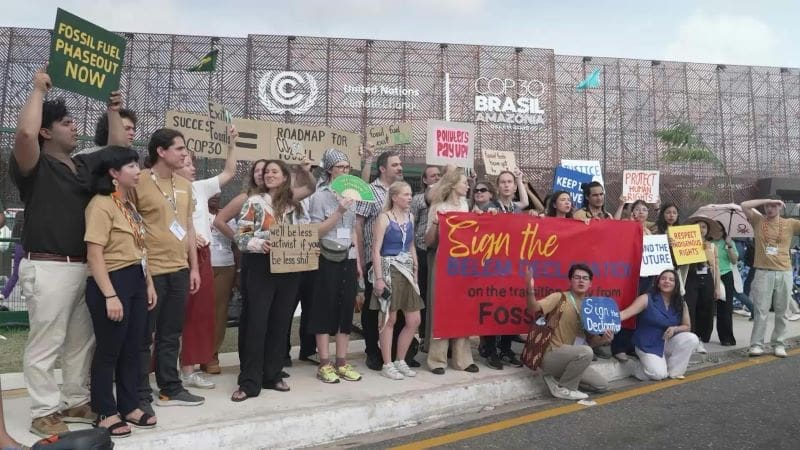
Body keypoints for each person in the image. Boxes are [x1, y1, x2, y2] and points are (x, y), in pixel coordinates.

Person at [11, 68, 127, 437]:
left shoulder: (82, 165)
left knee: (81, 341)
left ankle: (75, 400)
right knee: (47, 343)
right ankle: (44, 411)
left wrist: (113, 110)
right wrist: (37, 91)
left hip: (83, 267)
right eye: (65, 122)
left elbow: (118, 149)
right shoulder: (33, 164)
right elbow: (24, 134)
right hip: (48, 267)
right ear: (47, 132)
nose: (75, 127)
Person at [84, 147, 158, 437]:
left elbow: (140, 249)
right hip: (112, 281)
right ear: (114, 173)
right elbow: (94, 254)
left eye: (137, 165)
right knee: (109, 349)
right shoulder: (100, 205)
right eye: (131, 166)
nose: (138, 171)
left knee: (133, 347)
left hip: (136, 279)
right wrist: (110, 295)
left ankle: (129, 406)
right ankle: (105, 410)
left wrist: (148, 283)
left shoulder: (127, 205)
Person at [231, 159, 315, 401]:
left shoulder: (295, 206)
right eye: (266, 172)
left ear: (285, 177)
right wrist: (260, 244)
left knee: (280, 322)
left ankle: (272, 374)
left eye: (274, 171)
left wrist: (309, 248)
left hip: (289, 269)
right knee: (257, 323)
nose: (269, 175)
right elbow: (241, 236)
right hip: (261, 267)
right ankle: (249, 382)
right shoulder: (254, 202)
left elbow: (304, 232)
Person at [133, 129, 203, 413]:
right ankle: (139, 391)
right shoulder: (138, 181)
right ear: (161, 151)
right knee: (144, 335)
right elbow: (132, 227)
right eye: (179, 148)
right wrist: (145, 272)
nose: (185, 154)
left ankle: (170, 387)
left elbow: (188, 227)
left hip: (180, 269)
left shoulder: (184, 185)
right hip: (151, 271)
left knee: (171, 333)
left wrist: (194, 267)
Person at [174, 127, 239, 388]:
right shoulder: (163, 190)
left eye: (192, 163)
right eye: (186, 163)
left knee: (197, 315)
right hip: (175, 257)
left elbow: (229, 172)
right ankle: (165, 371)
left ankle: (188, 370)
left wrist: (232, 144)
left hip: (201, 258)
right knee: (172, 317)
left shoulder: (199, 188)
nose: (192, 168)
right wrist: (187, 238)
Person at [308, 149, 362, 383]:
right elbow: (315, 231)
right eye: (340, 167)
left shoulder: (352, 195)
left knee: (345, 308)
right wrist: (339, 210)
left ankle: (342, 361)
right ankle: (324, 363)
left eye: (347, 167)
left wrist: (357, 259)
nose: (344, 171)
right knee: (324, 308)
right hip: (326, 256)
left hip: (347, 257)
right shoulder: (320, 196)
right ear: (330, 170)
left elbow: (352, 230)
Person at [525, 264, 610, 400]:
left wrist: (604, 339)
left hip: (574, 358)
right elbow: (533, 308)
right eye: (577, 277)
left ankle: (556, 379)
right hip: (551, 355)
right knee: (586, 351)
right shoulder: (559, 297)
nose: (581, 281)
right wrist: (530, 289)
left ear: (590, 283)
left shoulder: (590, 307)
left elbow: (591, 342)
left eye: (585, 278)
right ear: (570, 280)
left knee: (602, 385)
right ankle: (565, 388)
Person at [424, 168, 479, 375]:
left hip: (464, 263)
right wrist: (436, 225)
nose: (467, 186)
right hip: (444, 261)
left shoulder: (466, 205)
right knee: (442, 307)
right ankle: (437, 359)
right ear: (453, 184)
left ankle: (463, 359)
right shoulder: (438, 206)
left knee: (463, 307)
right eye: (464, 182)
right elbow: (428, 240)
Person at [355, 150, 404, 371]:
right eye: (395, 164)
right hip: (374, 259)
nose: (400, 167)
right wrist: (360, 258)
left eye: (400, 164)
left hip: (398, 261)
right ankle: (372, 351)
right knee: (372, 307)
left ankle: (393, 351)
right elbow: (358, 225)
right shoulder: (370, 192)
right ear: (382, 168)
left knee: (397, 307)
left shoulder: (401, 191)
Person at [371, 181, 424, 380]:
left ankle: (401, 360)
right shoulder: (384, 218)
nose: (410, 198)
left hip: (407, 270)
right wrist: (378, 278)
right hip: (389, 269)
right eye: (406, 194)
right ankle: (387, 363)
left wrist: (415, 267)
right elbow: (375, 250)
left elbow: (411, 245)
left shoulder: (410, 217)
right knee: (389, 319)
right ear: (394, 197)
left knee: (414, 319)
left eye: (411, 194)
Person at [740, 197, 800, 358]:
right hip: (763, 272)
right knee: (761, 310)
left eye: (774, 205)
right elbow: (744, 205)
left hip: (784, 272)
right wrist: (766, 200)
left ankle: (779, 343)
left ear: (780, 207)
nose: (770, 208)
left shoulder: (790, 223)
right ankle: (756, 344)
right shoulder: (758, 220)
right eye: (768, 206)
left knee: (782, 311)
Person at [619, 270, 699, 381]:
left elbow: (687, 326)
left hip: (666, 341)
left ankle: (674, 372)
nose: (667, 281)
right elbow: (625, 314)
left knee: (692, 338)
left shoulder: (681, 303)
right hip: (647, 343)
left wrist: (675, 329)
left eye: (671, 280)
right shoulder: (646, 298)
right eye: (663, 279)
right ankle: (634, 367)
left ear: (676, 284)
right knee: (658, 375)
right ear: (658, 283)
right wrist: (607, 319)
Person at [205, 193, 239, 375]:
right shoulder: (196, 214)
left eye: (218, 194)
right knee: (198, 312)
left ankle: (212, 355)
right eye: (210, 193)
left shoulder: (230, 216)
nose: (215, 196)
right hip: (201, 267)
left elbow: (237, 244)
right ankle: (190, 355)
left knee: (219, 313)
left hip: (226, 267)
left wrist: (238, 271)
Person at [679, 216, 722, 354]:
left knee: (706, 309)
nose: (701, 229)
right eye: (698, 227)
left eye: (704, 227)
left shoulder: (712, 246)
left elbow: (716, 267)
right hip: (691, 278)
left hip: (707, 279)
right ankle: (690, 338)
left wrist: (717, 287)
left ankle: (700, 339)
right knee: (690, 308)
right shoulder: (686, 243)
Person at [410, 165, 441, 343]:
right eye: (432, 175)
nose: (437, 178)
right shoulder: (418, 199)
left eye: (439, 175)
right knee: (424, 294)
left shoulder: (446, 200)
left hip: (441, 251)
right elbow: (411, 224)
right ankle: (423, 335)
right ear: (424, 179)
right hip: (422, 250)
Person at [713, 221, 739, 346]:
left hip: (725, 275)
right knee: (706, 308)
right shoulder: (707, 242)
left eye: (720, 229)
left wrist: (729, 245)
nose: (718, 232)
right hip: (711, 275)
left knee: (725, 308)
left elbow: (734, 260)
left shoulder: (728, 242)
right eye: (715, 229)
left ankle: (726, 337)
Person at [0, 211, 23, 303]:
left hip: (18, 248)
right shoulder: (29, 225)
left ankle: (4, 293)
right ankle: (24, 292)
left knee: (15, 274)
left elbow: (13, 238)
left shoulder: (16, 226)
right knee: (30, 272)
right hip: (28, 248)